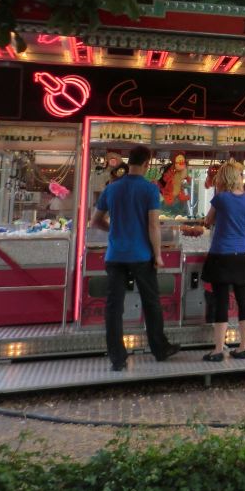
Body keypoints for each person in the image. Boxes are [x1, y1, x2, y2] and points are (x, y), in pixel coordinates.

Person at [90, 144, 180, 370]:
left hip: (115, 255)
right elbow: (153, 225)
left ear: (128, 162)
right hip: (141, 255)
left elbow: (95, 221)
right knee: (151, 302)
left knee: (114, 306)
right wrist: (158, 254)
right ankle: (159, 348)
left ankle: (117, 358)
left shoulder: (112, 188)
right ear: (147, 164)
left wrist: (114, 229)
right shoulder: (150, 190)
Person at [201, 161, 245, 361]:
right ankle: (243, 347)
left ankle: (219, 350)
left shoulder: (220, 199)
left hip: (221, 255)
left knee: (221, 301)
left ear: (222, 179)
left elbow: (208, 221)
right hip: (242, 256)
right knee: (243, 300)